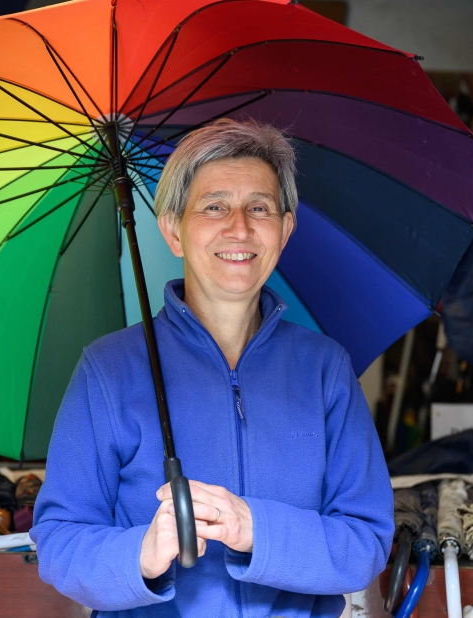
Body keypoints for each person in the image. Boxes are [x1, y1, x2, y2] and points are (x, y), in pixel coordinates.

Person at [31, 118, 394, 617]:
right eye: (214, 206)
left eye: (259, 207)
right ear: (172, 230)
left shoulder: (324, 370)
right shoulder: (108, 370)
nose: (239, 227)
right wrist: (142, 552)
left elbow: (366, 539)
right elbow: (59, 540)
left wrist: (254, 528)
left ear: (285, 231)